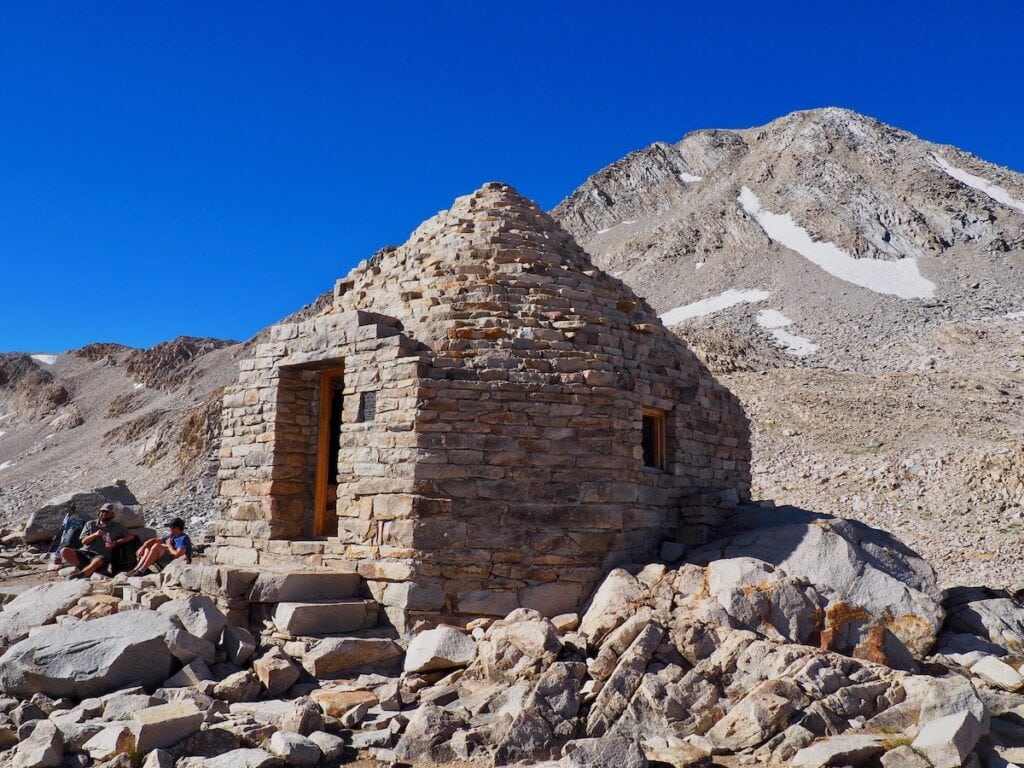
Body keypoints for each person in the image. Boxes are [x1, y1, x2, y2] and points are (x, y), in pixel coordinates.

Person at [60, 503, 132, 579]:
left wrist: (116, 542)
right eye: (102, 511)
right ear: (99, 513)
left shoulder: (116, 526)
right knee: (64, 551)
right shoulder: (90, 524)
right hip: (86, 552)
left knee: (99, 560)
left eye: (107, 512)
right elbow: (83, 541)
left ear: (112, 515)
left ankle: (81, 575)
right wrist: (95, 535)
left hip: (101, 554)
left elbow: (130, 536)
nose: (104, 514)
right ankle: (87, 570)